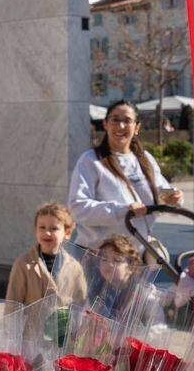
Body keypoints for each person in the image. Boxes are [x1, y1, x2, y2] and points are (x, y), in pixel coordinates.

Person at [68, 100, 183, 257]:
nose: (120, 126)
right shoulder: (90, 160)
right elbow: (78, 209)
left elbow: (162, 194)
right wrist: (122, 210)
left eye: (127, 121)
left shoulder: (145, 159)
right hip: (98, 258)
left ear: (137, 127)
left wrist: (173, 198)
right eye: (115, 120)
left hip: (136, 258)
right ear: (105, 124)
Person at [5, 202, 87, 307]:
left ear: (67, 233)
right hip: (32, 323)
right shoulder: (23, 264)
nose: (47, 233)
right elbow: (12, 303)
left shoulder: (75, 267)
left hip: (61, 323)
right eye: (42, 227)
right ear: (35, 231)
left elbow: (80, 304)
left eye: (54, 228)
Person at [85, 235, 142, 317]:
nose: (109, 264)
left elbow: (157, 322)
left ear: (131, 267)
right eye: (104, 259)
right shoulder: (95, 292)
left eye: (117, 260)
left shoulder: (141, 295)